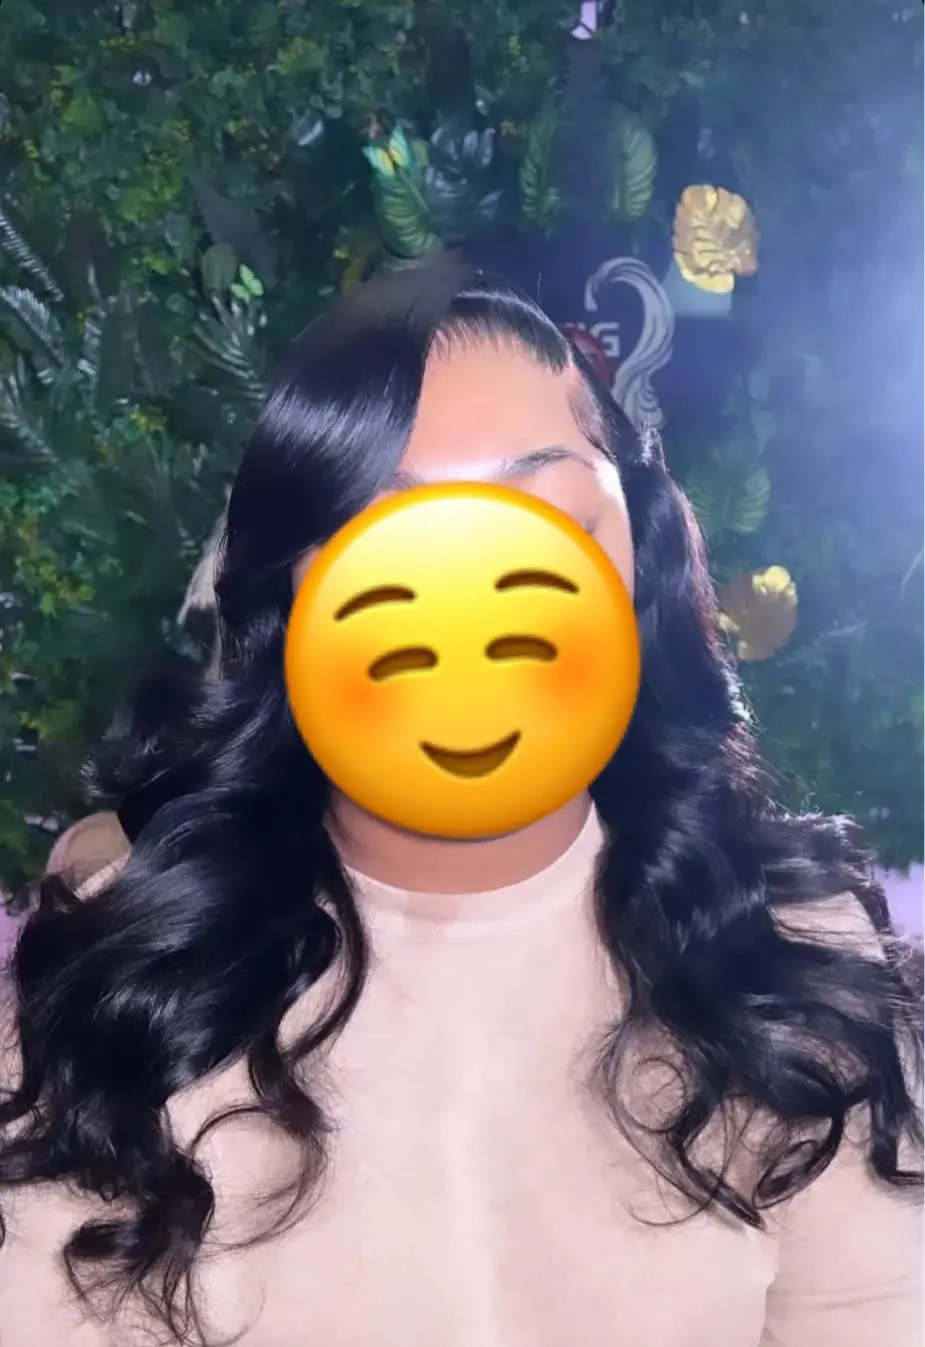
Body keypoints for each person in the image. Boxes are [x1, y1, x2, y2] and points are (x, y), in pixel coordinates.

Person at [0, 262, 921, 1347]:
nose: (474, 597)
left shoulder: (787, 957)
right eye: (390, 528)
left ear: (638, 552)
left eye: (541, 508)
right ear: (289, 594)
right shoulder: (124, 986)